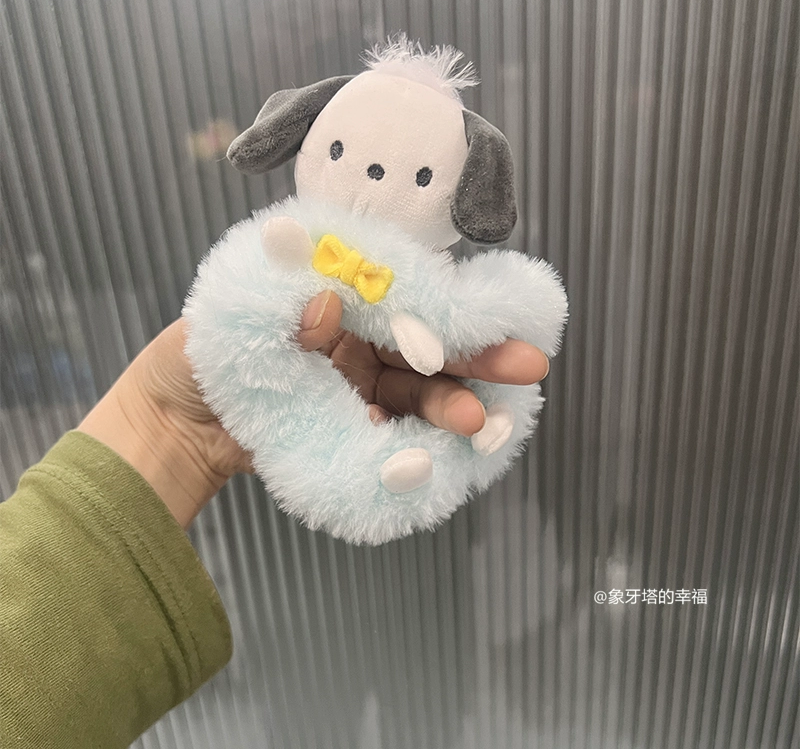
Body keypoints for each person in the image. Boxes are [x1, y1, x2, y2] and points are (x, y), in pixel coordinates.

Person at [0, 290, 550, 748]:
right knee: (324, 719)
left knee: (414, 718)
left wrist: (165, 427)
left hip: (398, 555)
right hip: (295, 563)